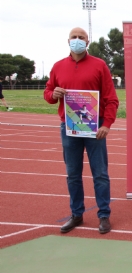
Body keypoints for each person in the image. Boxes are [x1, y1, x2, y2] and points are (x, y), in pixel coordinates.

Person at [44, 27, 119, 234]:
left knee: (100, 173)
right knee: (73, 174)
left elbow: (111, 98)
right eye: (74, 37)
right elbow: (48, 92)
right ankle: (76, 214)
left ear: (87, 42)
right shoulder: (58, 66)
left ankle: (104, 215)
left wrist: (107, 124)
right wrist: (53, 94)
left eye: (81, 38)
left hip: (95, 127)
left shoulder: (99, 65)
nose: (77, 40)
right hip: (69, 128)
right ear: (68, 41)